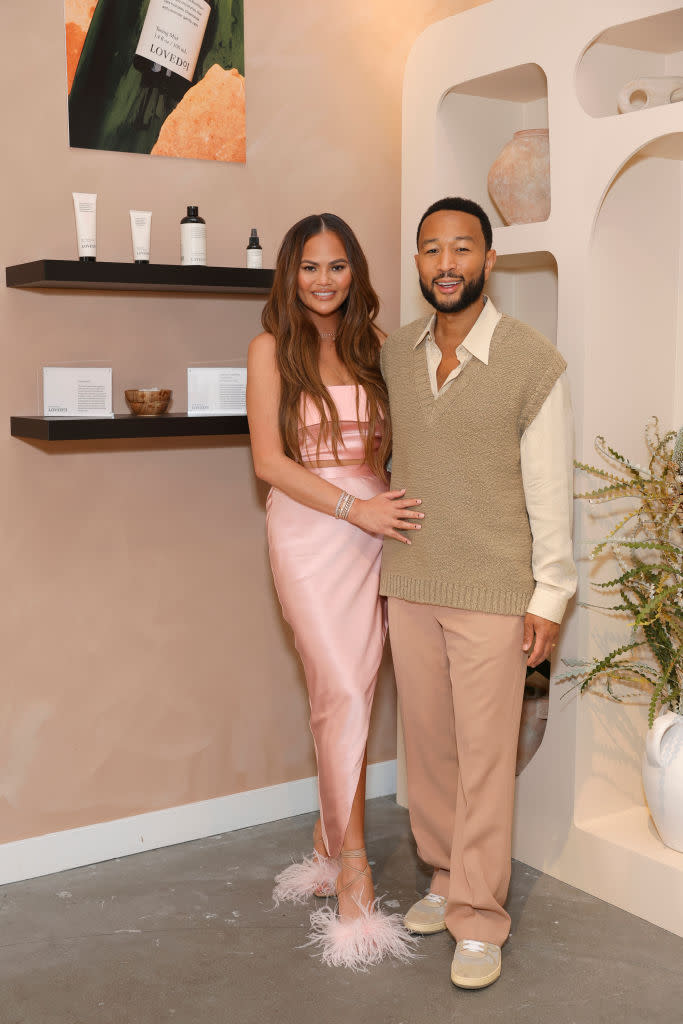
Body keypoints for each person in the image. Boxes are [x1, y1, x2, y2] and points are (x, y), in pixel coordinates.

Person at [380, 197, 576, 989]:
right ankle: (441, 875)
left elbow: (550, 488)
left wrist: (549, 597)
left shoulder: (530, 361)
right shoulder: (396, 354)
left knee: (486, 758)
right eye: (431, 250)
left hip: (496, 589)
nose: (446, 264)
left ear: (488, 261)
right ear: (419, 264)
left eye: (462, 248)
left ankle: (479, 916)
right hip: (412, 580)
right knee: (427, 750)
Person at [247, 213, 421, 969]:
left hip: (377, 527)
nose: (325, 280)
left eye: (339, 266)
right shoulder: (268, 350)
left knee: (354, 688)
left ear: (355, 272)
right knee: (342, 691)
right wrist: (356, 506)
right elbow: (269, 463)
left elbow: (409, 440)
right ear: (290, 273)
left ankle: (327, 837)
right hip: (312, 531)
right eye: (311, 267)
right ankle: (352, 869)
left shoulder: (377, 347)